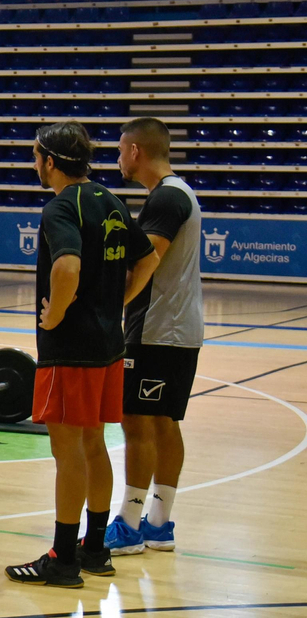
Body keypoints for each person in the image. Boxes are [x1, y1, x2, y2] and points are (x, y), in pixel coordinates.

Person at [4, 120, 158, 588]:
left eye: (36, 157)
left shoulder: (59, 208)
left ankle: (62, 558)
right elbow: (148, 256)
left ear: (50, 161)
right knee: (93, 443)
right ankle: (95, 550)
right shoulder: (109, 200)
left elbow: (67, 265)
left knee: (67, 450)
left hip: (71, 350)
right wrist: (118, 303)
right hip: (109, 346)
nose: (35, 164)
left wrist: (56, 315)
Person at [106, 118, 201, 554]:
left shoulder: (165, 198)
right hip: (178, 329)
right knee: (164, 422)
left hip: (158, 329)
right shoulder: (179, 193)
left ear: (136, 152)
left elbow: (146, 264)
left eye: (121, 150)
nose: (119, 158)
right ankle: (159, 522)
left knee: (137, 422)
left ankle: (128, 523)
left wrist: (109, 306)